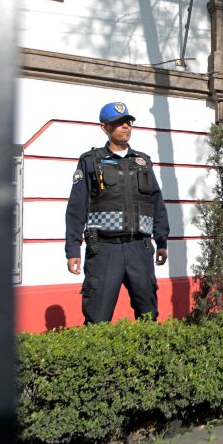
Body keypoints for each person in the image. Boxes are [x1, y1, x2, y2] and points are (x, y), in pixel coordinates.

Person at [65, 102, 169, 323]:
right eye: (118, 123)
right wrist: (73, 249)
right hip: (103, 250)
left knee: (148, 315)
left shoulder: (143, 162)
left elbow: (156, 202)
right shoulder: (91, 161)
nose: (125, 127)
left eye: (128, 122)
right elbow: (76, 207)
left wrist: (161, 241)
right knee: (97, 317)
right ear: (104, 127)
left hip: (139, 249)